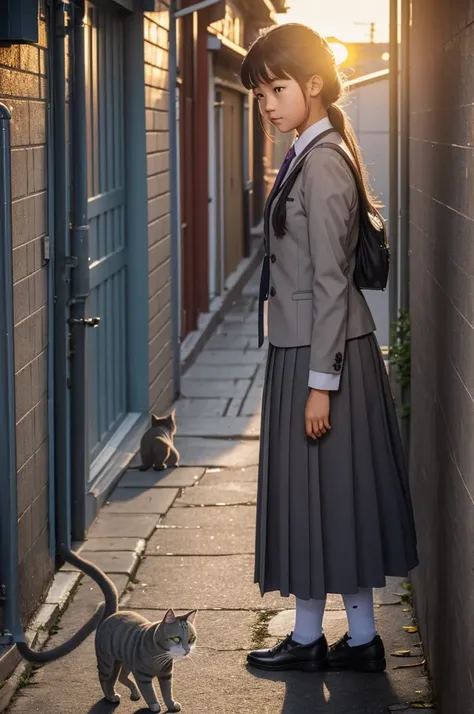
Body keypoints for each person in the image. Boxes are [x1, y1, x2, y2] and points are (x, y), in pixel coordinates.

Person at [240, 23, 418, 674]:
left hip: (322, 358)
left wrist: (321, 382)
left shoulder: (321, 162)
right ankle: (356, 639)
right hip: (309, 352)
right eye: (260, 91)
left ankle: (321, 639)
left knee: (323, 497)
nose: (266, 102)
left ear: (313, 85)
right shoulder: (312, 151)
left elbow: (329, 282)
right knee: (326, 498)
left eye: (277, 88)